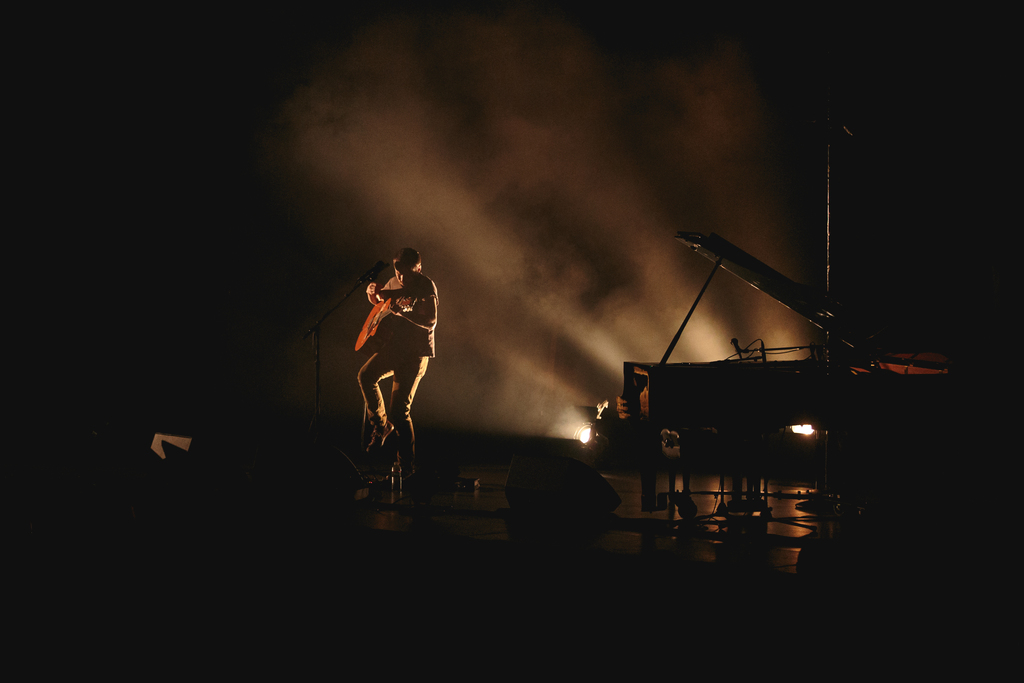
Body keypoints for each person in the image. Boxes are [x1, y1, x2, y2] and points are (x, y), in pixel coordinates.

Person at [357, 248, 437, 485]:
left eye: (407, 274)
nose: (401, 278)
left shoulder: (426, 286)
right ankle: (381, 426)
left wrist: (404, 314)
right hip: (395, 348)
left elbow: (431, 321)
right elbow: (381, 303)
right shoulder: (393, 281)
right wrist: (371, 293)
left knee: (400, 410)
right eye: (398, 272)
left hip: (416, 354)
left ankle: (407, 468)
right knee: (366, 375)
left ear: (418, 269)